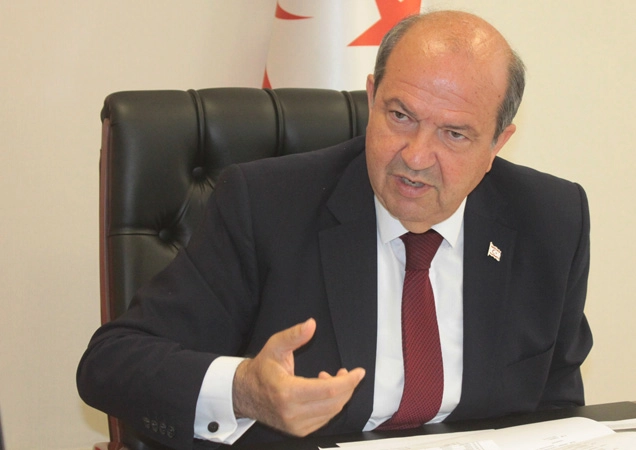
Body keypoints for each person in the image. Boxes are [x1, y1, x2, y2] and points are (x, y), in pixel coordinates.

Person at [77, 10, 592, 450]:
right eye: (400, 115)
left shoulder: (550, 219)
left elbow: (557, 411)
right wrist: (244, 390)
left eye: (454, 134)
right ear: (372, 97)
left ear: (498, 143)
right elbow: (112, 362)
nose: (416, 156)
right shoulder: (266, 205)